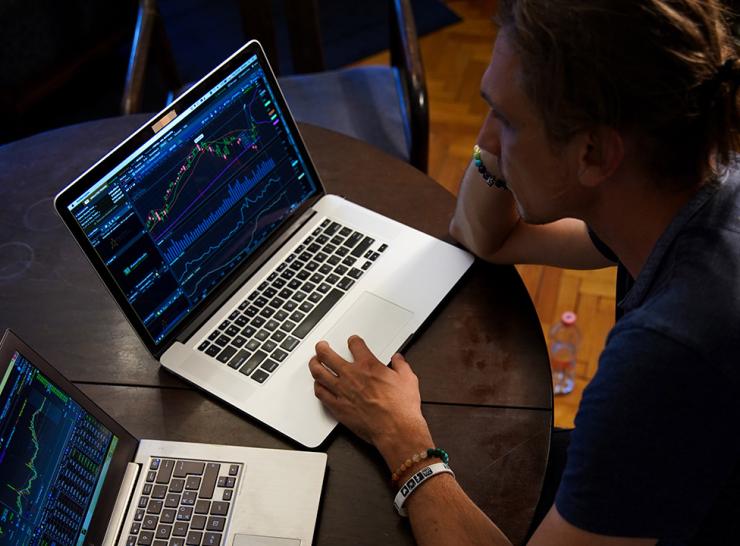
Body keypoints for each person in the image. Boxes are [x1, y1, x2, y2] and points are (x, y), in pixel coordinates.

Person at [308, 0, 740, 544]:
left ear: (594, 153)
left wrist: (403, 441)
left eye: (507, 121)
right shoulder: (691, 186)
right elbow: (487, 236)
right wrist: (502, 139)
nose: (484, 138)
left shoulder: (669, 353)